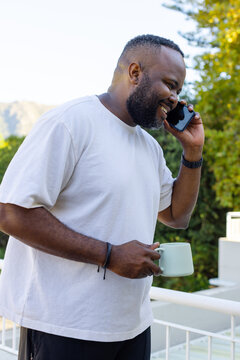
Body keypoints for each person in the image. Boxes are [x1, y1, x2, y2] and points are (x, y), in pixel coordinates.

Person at [0, 34, 204, 360]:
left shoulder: (149, 148)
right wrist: (110, 255)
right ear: (135, 72)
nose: (175, 98)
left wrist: (192, 152)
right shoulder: (70, 122)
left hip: (132, 326)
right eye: (169, 84)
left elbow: (176, 216)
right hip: (64, 326)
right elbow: (10, 213)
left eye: (179, 89)